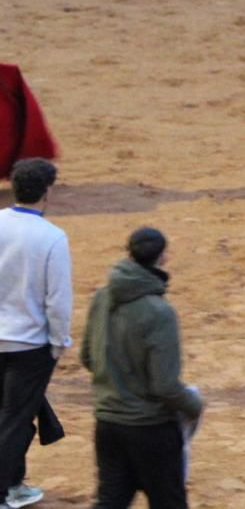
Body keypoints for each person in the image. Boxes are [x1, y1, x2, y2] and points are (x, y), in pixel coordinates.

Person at [80, 227, 203, 509]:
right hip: (151, 430)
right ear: (163, 258)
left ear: (129, 253)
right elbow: (165, 386)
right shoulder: (159, 312)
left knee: (111, 500)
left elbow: (88, 356)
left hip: (108, 424)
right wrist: (194, 404)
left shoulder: (102, 297)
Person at [0, 159, 69, 509]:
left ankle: (13, 484)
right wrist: (59, 343)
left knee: (12, 417)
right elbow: (57, 301)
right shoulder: (52, 237)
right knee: (14, 420)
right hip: (29, 345)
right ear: (47, 192)